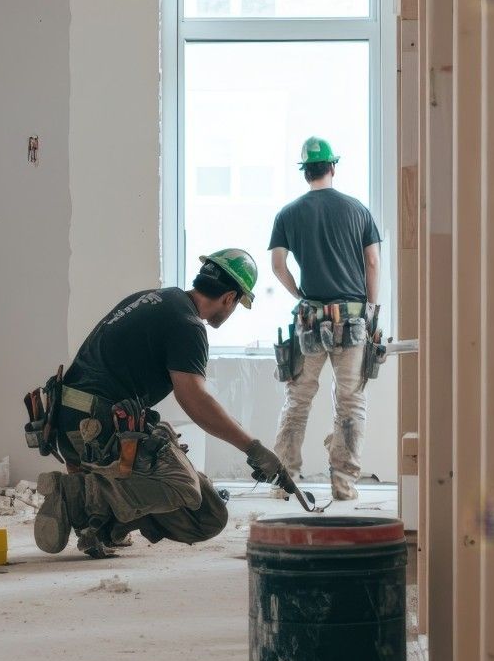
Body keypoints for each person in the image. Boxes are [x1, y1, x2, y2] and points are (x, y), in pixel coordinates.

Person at [33, 249, 288, 558]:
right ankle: (80, 497)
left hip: (71, 429)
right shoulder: (187, 324)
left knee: (207, 515)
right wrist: (253, 448)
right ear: (230, 297)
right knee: (185, 488)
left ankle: (102, 521)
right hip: (96, 430)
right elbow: (194, 399)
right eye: (237, 305)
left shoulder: (156, 299)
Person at [268, 137, 382, 501]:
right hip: (352, 321)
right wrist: (371, 309)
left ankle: (284, 480)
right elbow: (373, 263)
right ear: (333, 166)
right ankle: (344, 485)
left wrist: (299, 294)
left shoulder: (288, 213)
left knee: (298, 400)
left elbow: (277, 265)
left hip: (310, 321)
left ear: (305, 172)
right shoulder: (358, 210)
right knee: (350, 403)